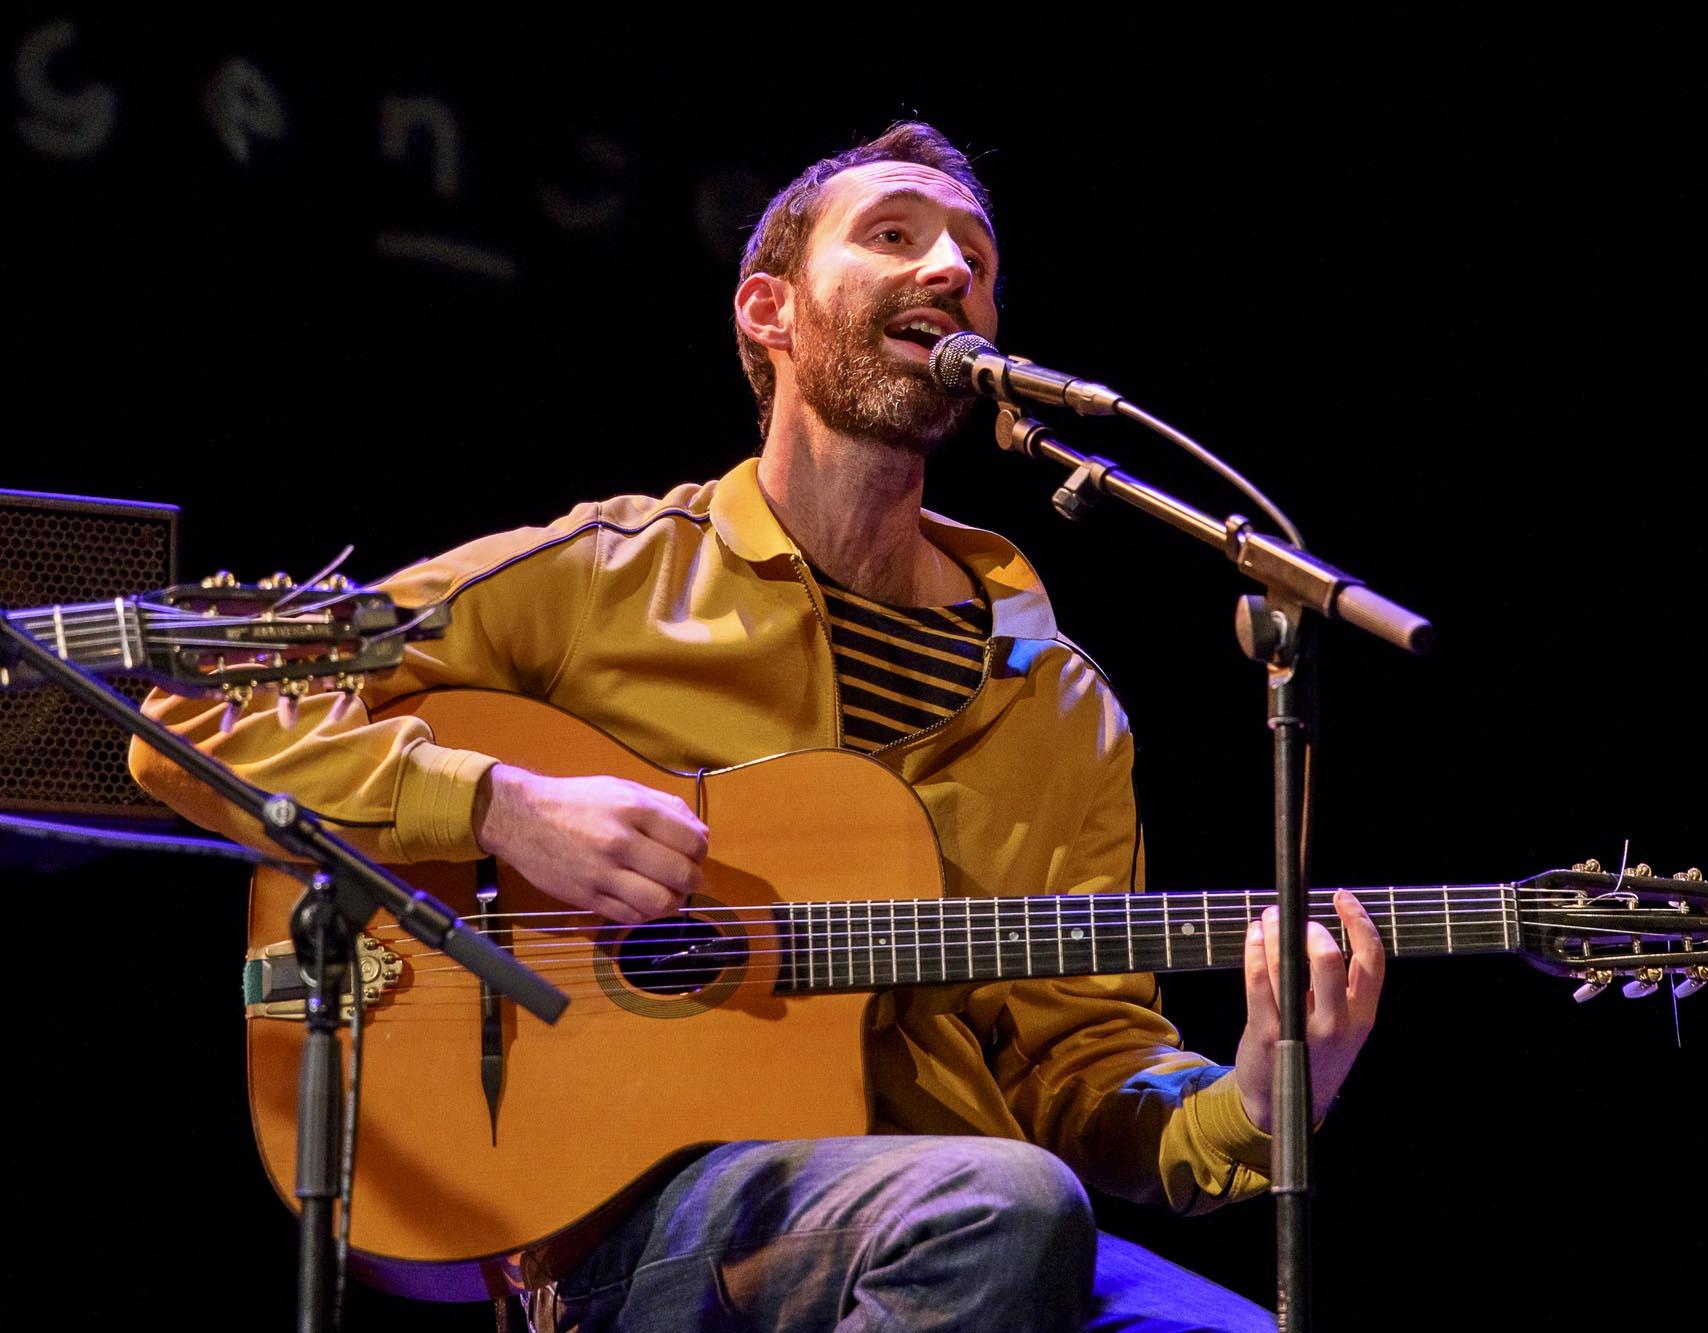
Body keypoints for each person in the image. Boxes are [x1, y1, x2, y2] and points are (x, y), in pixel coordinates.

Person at [132, 123, 1384, 1332]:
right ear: (767, 311)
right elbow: (200, 709)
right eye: (892, 235)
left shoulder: (1057, 705)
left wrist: (1257, 1096)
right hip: (638, 1214)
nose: (948, 269)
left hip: (968, 1218)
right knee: (1000, 1205)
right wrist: (500, 804)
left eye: (976, 259)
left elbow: (1081, 1068)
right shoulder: (606, 573)